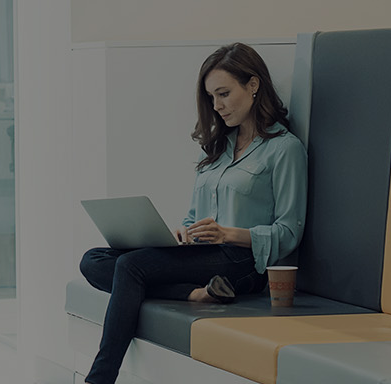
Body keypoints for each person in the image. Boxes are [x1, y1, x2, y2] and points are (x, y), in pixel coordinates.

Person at [77, 42, 307, 384]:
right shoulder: (218, 149)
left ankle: (99, 379)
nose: (217, 106)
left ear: (254, 85)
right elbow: (194, 217)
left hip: (242, 261)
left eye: (224, 94)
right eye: (212, 97)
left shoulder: (284, 149)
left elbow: (289, 233)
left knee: (130, 267)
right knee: (92, 260)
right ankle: (195, 293)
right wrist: (181, 233)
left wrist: (227, 233)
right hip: (203, 255)